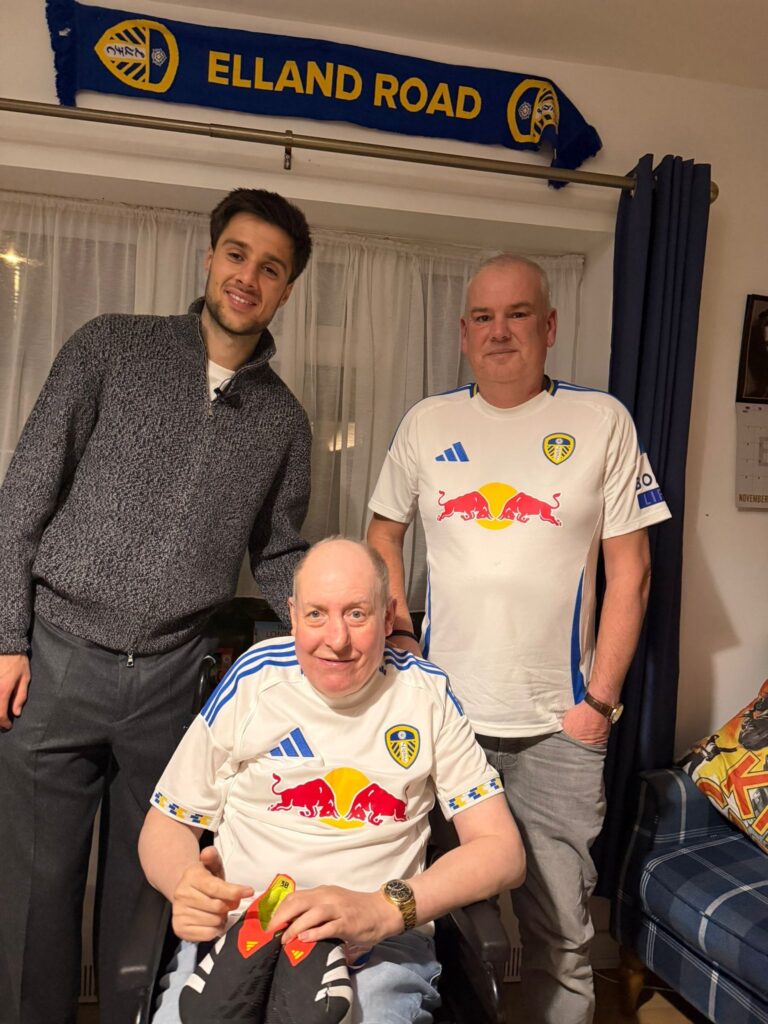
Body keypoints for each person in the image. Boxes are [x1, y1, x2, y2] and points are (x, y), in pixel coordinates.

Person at [0, 188, 314, 1024]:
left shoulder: (282, 419)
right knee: (33, 897)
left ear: (287, 290)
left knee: (153, 899)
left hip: (176, 687)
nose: (249, 276)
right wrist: (5, 636)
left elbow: (278, 550)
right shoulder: (110, 346)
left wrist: (331, 621)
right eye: (238, 254)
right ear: (210, 259)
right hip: (54, 665)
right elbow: (24, 494)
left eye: (271, 268)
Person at [366, 254, 672, 1024]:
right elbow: (382, 533)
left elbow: (630, 572)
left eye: (518, 314)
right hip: (446, 725)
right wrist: (399, 634)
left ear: (549, 326)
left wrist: (598, 701)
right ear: (463, 334)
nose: (499, 331)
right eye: (483, 317)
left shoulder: (602, 420)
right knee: (436, 924)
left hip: (557, 732)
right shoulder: (428, 423)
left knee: (561, 937)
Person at [138, 537, 525, 1023]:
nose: (336, 640)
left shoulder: (425, 694)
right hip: (241, 936)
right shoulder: (253, 679)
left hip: (379, 945)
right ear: (293, 616)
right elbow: (166, 824)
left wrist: (385, 911)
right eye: (317, 614)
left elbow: (501, 851)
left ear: (388, 618)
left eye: (357, 614)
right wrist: (184, 884)